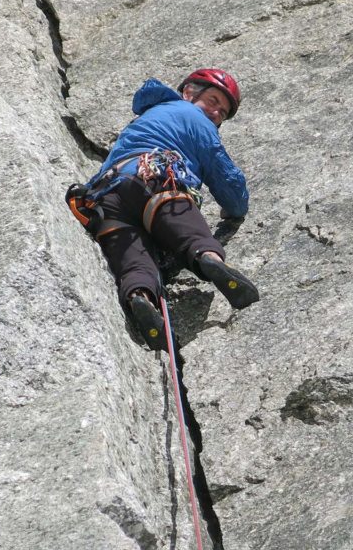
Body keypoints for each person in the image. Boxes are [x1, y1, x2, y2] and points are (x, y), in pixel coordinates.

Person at [68, 68, 260, 350]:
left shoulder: (143, 120)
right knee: (188, 229)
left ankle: (140, 295)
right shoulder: (193, 117)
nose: (217, 113)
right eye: (214, 101)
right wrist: (236, 209)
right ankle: (209, 259)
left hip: (106, 198)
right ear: (189, 93)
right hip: (157, 180)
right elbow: (226, 177)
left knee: (133, 260)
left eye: (224, 112)